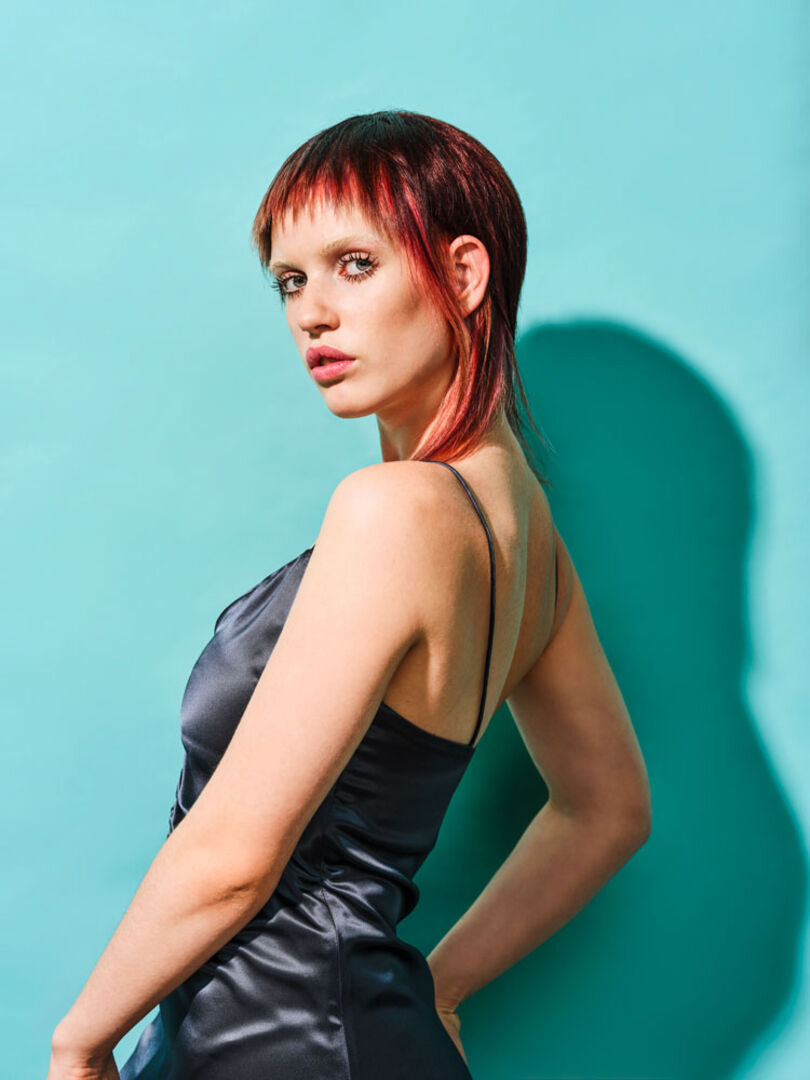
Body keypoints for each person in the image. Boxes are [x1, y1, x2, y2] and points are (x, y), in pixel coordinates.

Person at [47, 109, 651, 1080]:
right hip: (358, 1038)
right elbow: (609, 809)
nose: (312, 313)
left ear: (463, 274)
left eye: (354, 265)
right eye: (291, 280)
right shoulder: (530, 539)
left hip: (275, 1047)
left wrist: (80, 1039)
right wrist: (437, 989)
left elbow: (234, 856)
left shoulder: (392, 511)